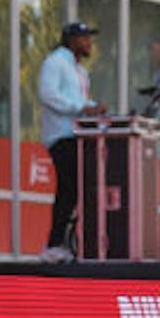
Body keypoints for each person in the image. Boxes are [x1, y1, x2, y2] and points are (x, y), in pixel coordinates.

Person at [36, 21, 105, 264]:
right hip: (61, 135)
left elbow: (77, 99)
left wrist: (94, 109)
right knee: (68, 189)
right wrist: (83, 107)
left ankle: (65, 243)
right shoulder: (55, 62)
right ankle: (54, 244)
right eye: (84, 38)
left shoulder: (79, 70)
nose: (89, 44)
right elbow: (48, 94)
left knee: (75, 190)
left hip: (77, 135)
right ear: (72, 40)